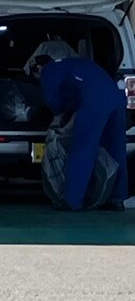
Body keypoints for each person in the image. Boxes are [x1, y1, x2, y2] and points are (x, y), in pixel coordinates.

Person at [26, 40, 128, 211]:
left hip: (94, 101)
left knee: (83, 148)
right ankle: (117, 199)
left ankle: (72, 201)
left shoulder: (48, 71)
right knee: (116, 149)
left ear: (38, 68)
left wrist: (61, 123)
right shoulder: (71, 64)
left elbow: (55, 104)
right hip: (117, 97)